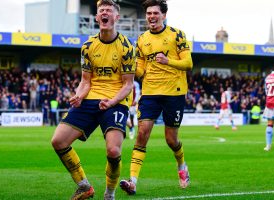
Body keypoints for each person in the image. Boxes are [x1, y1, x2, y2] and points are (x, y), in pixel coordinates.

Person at [50, 0, 135, 199]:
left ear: (116, 17)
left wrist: (112, 102)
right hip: (90, 98)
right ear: (97, 17)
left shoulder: (127, 47)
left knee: (113, 151)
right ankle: (83, 185)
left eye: (109, 10)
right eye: (101, 11)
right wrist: (79, 95)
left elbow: (128, 85)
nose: (104, 13)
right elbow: (85, 81)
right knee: (58, 141)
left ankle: (110, 193)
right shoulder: (88, 46)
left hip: (116, 100)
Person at [120, 0, 193, 195]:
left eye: (155, 13)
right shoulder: (142, 39)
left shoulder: (177, 35)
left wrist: (168, 61)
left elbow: (188, 63)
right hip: (150, 92)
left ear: (163, 15)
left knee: (171, 140)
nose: (151, 16)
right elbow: (141, 68)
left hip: (174, 92)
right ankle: (133, 181)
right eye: (149, 13)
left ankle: (181, 166)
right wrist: (132, 69)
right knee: (142, 134)